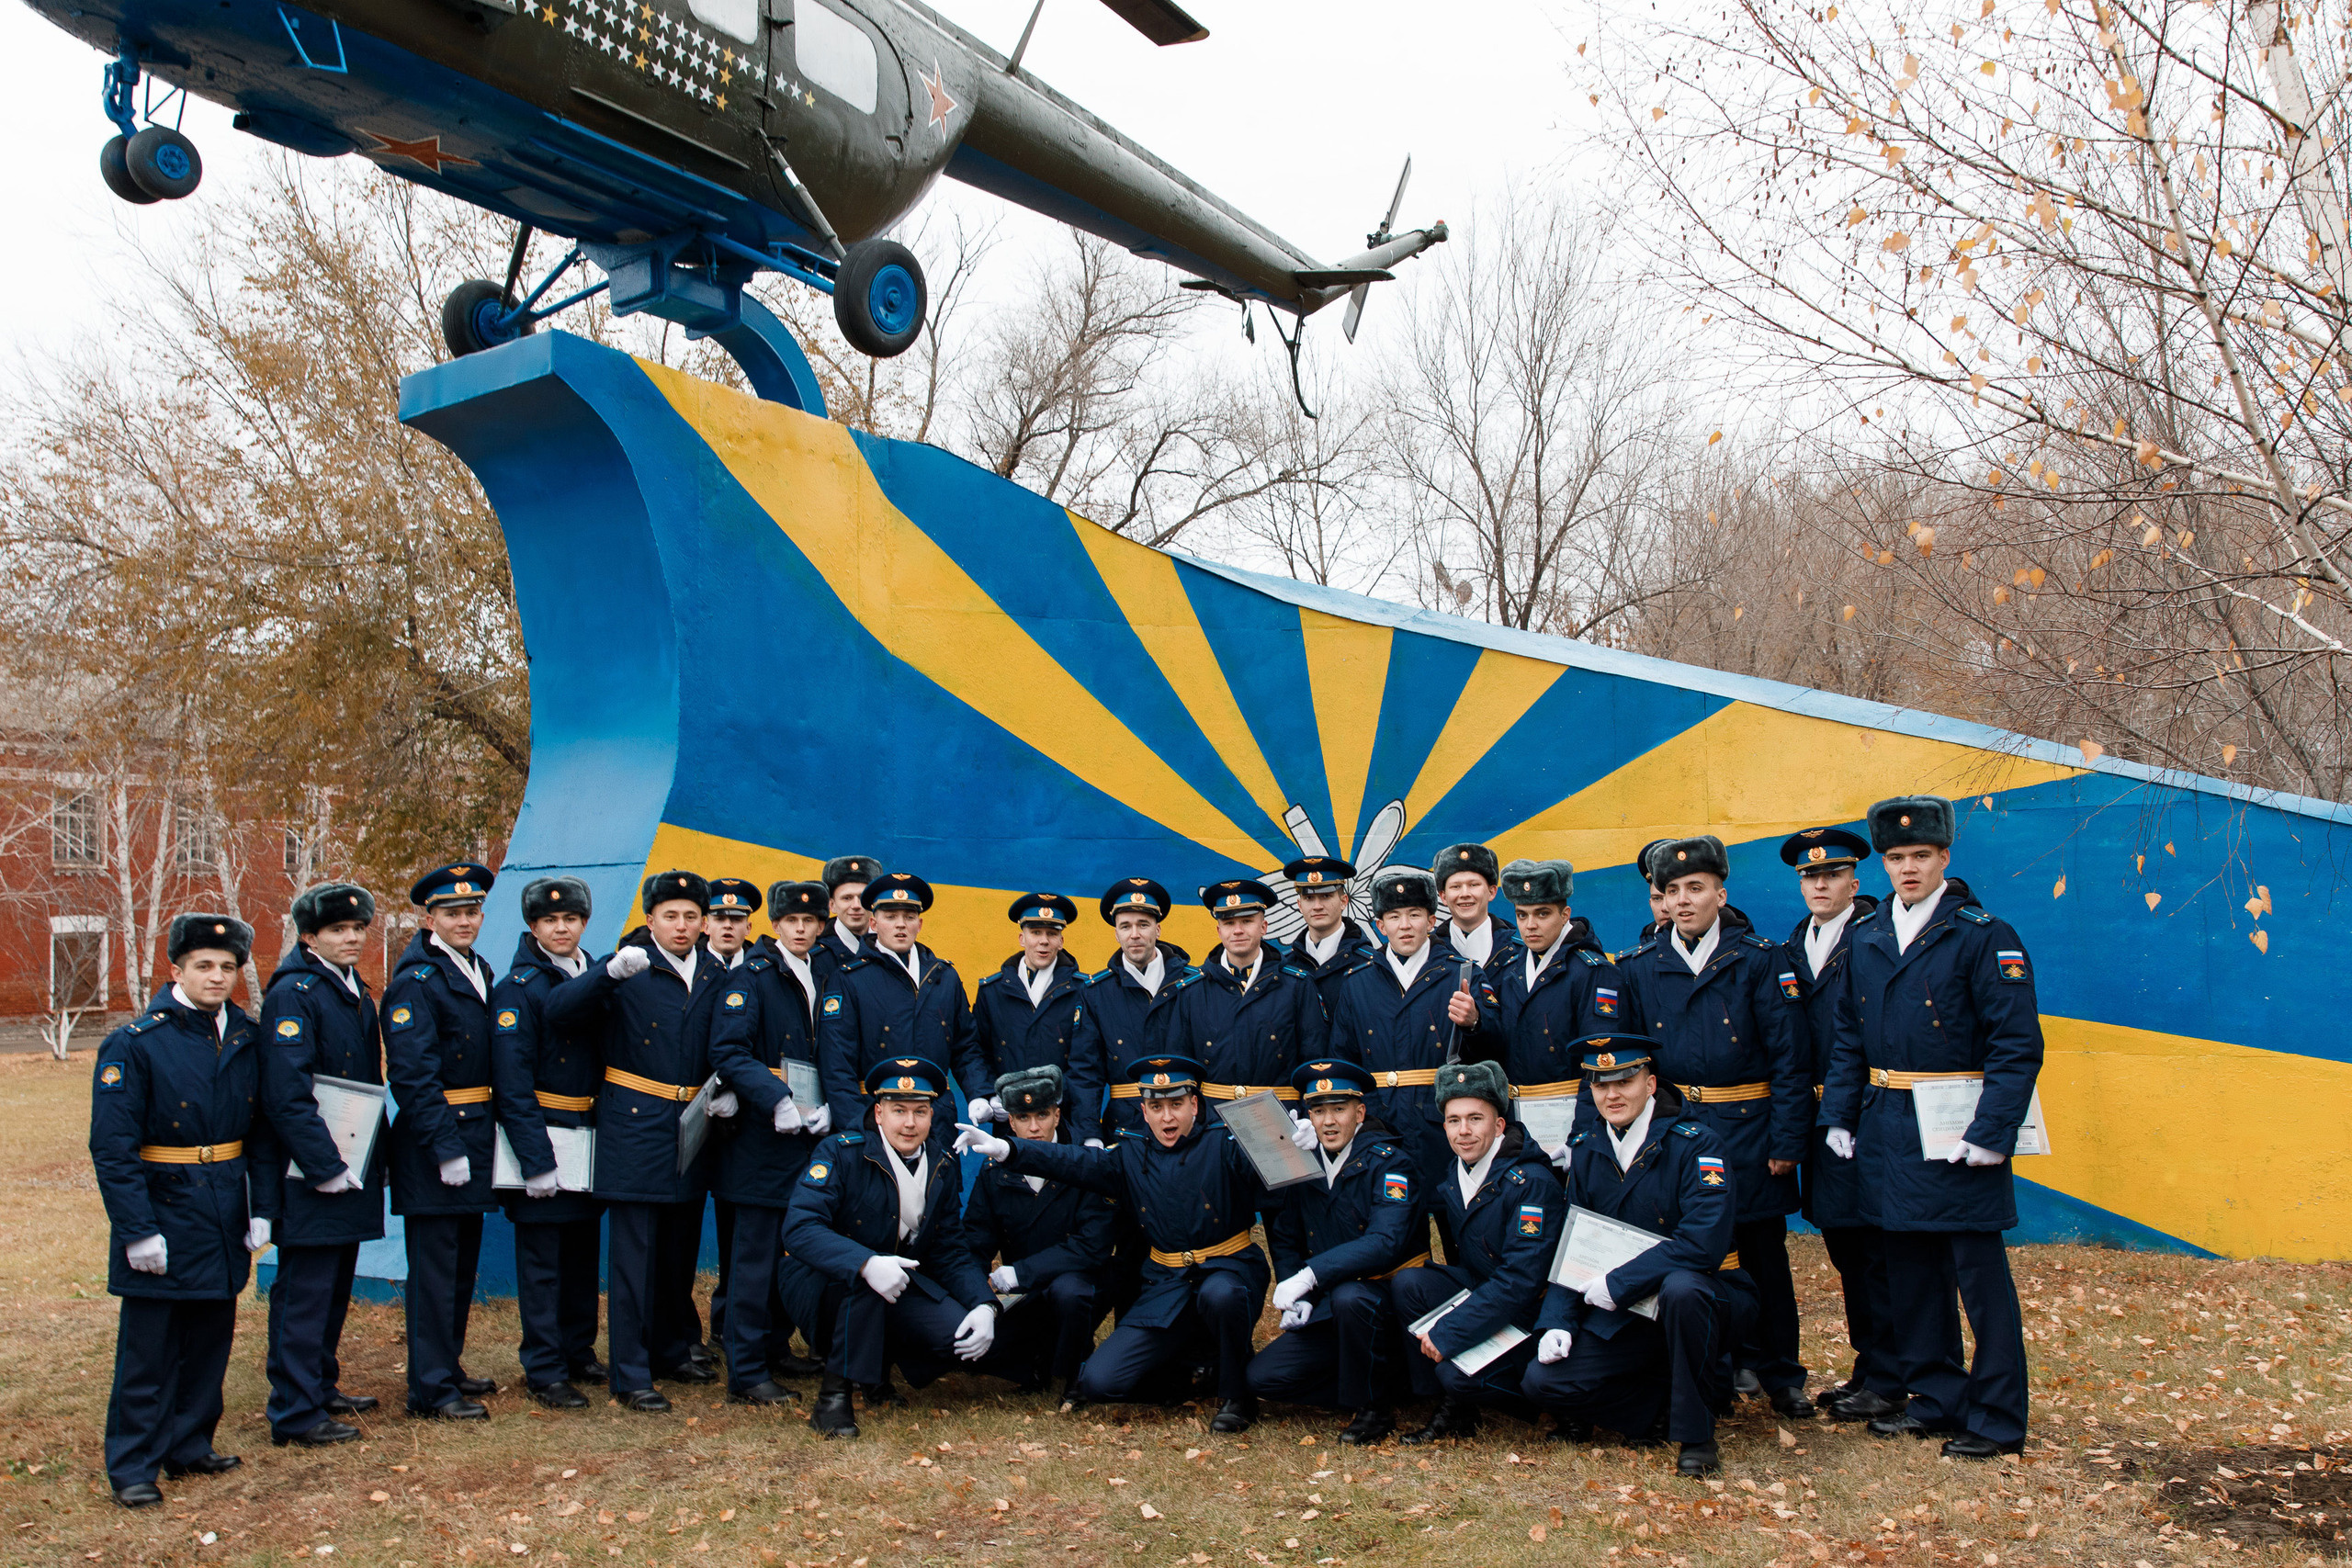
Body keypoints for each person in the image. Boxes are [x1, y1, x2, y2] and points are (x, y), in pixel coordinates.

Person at [1820, 795, 2043, 1459]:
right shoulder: (1868, 934)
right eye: (1896, 857)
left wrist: (1992, 1131)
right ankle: (1938, 1396)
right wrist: (1839, 1113)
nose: (1908, 868)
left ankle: (1998, 1417)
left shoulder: (1983, 934)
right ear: (1883, 864)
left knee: (1979, 1279)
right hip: (1887, 1126)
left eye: (1921, 854)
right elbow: (1848, 1035)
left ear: (1945, 856)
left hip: (1958, 1127)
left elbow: (2015, 1045)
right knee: (1911, 1273)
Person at [956, 1054, 1272, 1432]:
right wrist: (1009, 1150)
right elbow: (1073, 1161)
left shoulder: (1225, 1143)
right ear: (1144, 1111)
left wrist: (1299, 1142)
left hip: (1227, 1269)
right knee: (1100, 1382)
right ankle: (1194, 1373)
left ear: (1194, 1104)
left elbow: (1278, 1174)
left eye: (1176, 1105)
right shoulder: (1130, 1153)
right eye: (1156, 1107)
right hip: (1168, 1283)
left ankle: (1238, 1396)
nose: (1167, 1118)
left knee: (1221, 1296)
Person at [1618, 835, 1815, 1421]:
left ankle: (1781, 1374)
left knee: (1762, 1254)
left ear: (1720, 895)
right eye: (1672, 890)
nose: (1683, 900)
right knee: (1692, 1256)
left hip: (1748, 1132)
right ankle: (1718, 1369)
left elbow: (1791, 1058)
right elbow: (1630, 1061)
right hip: (1677, 1132)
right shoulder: (1639, 965)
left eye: (1696, 888)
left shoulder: (1760, 959)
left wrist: (1787, 1140)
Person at [92, 914, 277, 1508]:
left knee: (209, 1336)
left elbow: (262, 1133)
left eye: (227, 966)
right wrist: (137, 1230)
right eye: (203, 965)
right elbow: (113, 1148)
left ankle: (190, 1443)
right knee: (150, 1347)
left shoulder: (245, 1036)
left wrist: (263, 1206)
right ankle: (133, 1464)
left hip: (223, 1205)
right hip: (165, 1205)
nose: (217, 976)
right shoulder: (135, 1043)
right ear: (176, 970)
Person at [1521, 1036, 1758, 1477]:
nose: (1611, 1095)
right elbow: (1576, 1242)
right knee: (1542, 1382)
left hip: (1706, 1299)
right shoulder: (1587, 1146)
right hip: (1629, 1311)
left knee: (1682, 1289)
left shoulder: (1697, 1144)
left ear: (1650, 1085)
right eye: (1599, 1085)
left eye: (1624, 1082)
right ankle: (1662, 1405)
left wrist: (1618, 1283)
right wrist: (1557, 1320)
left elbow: (1702, 1244)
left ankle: (1697, 1437)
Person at [547, 869, 723, 1412]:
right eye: (670, 916)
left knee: (677, 1251)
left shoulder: (714, 970)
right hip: (635, 1124)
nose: (681, 925)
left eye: (691, 916)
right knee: (634, 1258)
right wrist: (607, 975)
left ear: (704, 922)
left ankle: (671, 1350)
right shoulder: (628, 965)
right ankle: (630, 1373)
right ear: (650, 920)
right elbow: (558, 1012)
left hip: (692, 1122)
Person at [781, 1057, 999, 1438]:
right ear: (879, 1113)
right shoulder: (841, 1152)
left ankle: (876, 1371)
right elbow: (800, 1228)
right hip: (824, 1283)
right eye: (899, 1111)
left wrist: (984, 1304)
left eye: (920, 1112)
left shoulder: (941, 1164)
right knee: (868, 1282)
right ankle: (833, 1398)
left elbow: (950, 1250)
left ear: (932, 1115)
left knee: (955, 1334)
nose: (909, 1123)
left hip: (894, 1284)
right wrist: (865, 1263)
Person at [258, 883, 386, 1450]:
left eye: (358, 928)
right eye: (338, 930)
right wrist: (324, 1166)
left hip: (350, 1157)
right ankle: (294, 1410)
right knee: (305, 1290)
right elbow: (287, 1093)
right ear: (309, 937)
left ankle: (319, 1384)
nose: (352, 938)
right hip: (312, 1168)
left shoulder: (352, 987)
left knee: (333, 1284)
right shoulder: (294, 993)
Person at [1777, 827, 1898, 1422]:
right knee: (1844, 1246)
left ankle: (1892, 1373)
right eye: (1810, 876)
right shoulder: (1793, 944)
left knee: (1876, 1250)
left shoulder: (1875, 935)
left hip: (1866, 1112)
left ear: (1854, 881)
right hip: (1818, 1119)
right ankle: (1870, 1366)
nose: (1820, 884)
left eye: (1832, 874)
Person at [1246, 1059, 1425, 1445]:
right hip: (1332, 1303)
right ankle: (1381, 1383)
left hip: (1385, 1301)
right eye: (1318, 1111)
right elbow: (1286, 1235)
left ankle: (1374, 1407)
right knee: (1264, 1378)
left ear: (1360, 1114)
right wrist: (1300, 1295)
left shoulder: (1391, 1163)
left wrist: (1309, 1276)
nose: (1328, 1122)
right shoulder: (1305, 1163)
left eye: (1339, 1109)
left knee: (1350, 1297)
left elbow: (1385, 1242)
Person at [706, 880, 835, 1404]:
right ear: (775, 925)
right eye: (790, 922)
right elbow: (728, 1050)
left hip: (808, 1133)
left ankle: (776, 1348)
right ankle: (746, 1373)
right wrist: (775, 1097)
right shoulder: (752, 976)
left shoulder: (824, 973)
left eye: (810, 922)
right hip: (761, 1139)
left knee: (791, 1250)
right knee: (753, 1261)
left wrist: (830, 1104)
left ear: (822, 926)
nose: (800, 929)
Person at [1386, 1060, 1562, 1445]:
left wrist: (1451, 1331)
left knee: (1456, 1376)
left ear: (1499, 1125)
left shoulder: (1531, 1182)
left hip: (1528, 1313)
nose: (1463, 1131)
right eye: (1453, 1120)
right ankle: (1447, 1402)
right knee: (1411, 1283)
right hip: (1488, 1294)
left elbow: (1520, 1282)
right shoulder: (1459, 1170)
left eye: (1475, 1119)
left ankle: (1529, 1397)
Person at [382, 863, 503, 1420]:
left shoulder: (476, 967)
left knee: (459, 1265)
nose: (465, 921)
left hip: (475, 1134)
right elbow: (412, 1076)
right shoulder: (416, 981)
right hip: (437, 1142)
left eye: (472, 911)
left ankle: (446, 1366)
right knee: (434, 1271)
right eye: (452, 913)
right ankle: (429, 1389)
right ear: (429, 918)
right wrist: (446, 1147)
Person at [489, 875, 606, 1410]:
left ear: (584, 923)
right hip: (543, 1131)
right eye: (550, 921)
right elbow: (511, 1082)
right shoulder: (518, 988)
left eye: (571, 919)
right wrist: (534, 1159)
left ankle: (578, 1349)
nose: (562, 929)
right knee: (543, 1264)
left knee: (581, 1253)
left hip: (588, 1132)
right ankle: (544, 1367)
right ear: (533, 927)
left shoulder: (595, 975)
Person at [1323, 868, 1495, 1195]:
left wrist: (1475, 1023)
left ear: (1431, 921)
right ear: (1380, 926)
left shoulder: (1462, 973)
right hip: (1378, 1124)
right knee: (1389, 1216)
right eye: (1394, 916)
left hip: (1442, 1125)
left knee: (1450, 1210)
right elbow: (1343, 1059)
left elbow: (1497, 1051)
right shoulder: (1358, 982)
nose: (1405, 925)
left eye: (1415, 915)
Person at [961, 1066, 1119, 1397]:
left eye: (1043, 1115)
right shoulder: (994, 1173)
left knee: (1069, 1293)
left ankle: (1076, 1368)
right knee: (972, 1346)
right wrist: (978, 1301)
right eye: (1023, 1117)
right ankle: (1035, 1361)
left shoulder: (1084, 1163)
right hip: (1025, 1291)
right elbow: (975, 1243)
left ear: (1057, 1115)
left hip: (1079, 1281)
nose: (1034, 1128)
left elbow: (1092, 1247)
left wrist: (1021, 1271)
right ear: (1010, 1122)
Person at [818, 872, 978, 1153]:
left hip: (937, 1123)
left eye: (909, 916)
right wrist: (859, 1125)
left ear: (920, 923)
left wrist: (980, 1093)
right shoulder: (849, 979)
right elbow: (836, 1064)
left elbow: (967, 1047)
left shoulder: (944, 977)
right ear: (873, 923)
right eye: (890, 917)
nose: (901, 924)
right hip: (875, 1121)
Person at [1483, 859, 1625, 1158]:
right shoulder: (1509, 971)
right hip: (1516, 1127)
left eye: (1542, 913)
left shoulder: (1592, 973)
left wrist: (1581, 1135)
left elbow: (1601, 1062)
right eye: (1521, 915)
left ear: (1565, 915)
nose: (1530, 925)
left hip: (1571, 1123)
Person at [1150, 880, 1329, 1111]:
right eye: (1229, 923)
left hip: (1282, 1117)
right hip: (1212, 1121)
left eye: (1247, 921)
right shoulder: (1191, 990)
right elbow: (1180, 1069)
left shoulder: (1297, 985)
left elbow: (1315, 1062)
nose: (1237, 930)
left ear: (1263, 927)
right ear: (1219, 930)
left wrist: (1306, 1118)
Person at [964, 894, 1107, 1145]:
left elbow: (1087, 1069)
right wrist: (986, 1094)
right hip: (1009, 1122)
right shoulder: (992, 991)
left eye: (1052, 934)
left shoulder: (1083, 991)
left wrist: (1089, 1134)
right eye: (1036, 932)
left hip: (1064, 1124)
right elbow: (976, 1051)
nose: (1043, 941)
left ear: (1061, 941)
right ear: (1022, 938)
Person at [698, 875, 762, 1371]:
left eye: (737, 919)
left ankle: (728, 1324)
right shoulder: (693, 967)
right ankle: (683, 1336)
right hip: (689, 1110)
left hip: (747, 1118)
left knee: (740, 1227)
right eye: (719, 917)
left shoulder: (758, 970)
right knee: (680, 1229)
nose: (727, 926)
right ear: (706, 923)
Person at [1089, 878, 1195, 1144]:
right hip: (1125, 1129)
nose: (1134, 934)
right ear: (1116, 933)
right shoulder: (1096, 993)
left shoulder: (1193, 984)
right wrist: (1089, 1135)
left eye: (1143, 925)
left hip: (1188, 1128)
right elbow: (1085, 1072)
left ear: (1157, 929)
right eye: (1125, 926)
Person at [1278, 856, 1372, 1000]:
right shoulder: (1284, 966)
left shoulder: (1369, 963)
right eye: (1309, 898)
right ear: (1300, 905)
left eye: (1326, 896)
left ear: (1344, 901)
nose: (1317, 906)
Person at [1431, 843, 1521, 974]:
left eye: (1473, 885)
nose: (1465, 894)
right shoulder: (1428, 952)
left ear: (1492, 892)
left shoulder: (1519, 953)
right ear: (1443, 896)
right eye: (1456, 886)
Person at [820, 854, 885, 967]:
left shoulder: (892, 945)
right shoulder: (814, 955)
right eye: (847, 898)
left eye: (862, 897)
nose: (856, 905)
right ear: (832, 905)